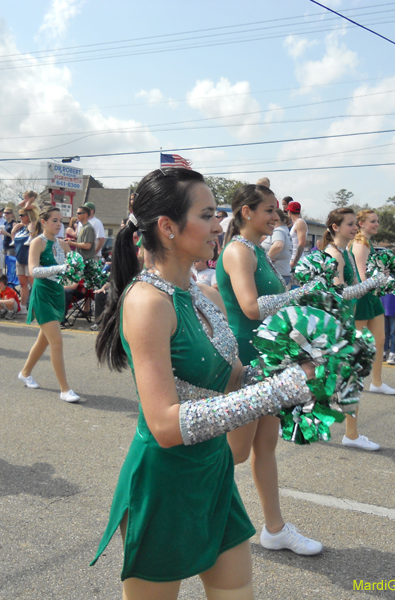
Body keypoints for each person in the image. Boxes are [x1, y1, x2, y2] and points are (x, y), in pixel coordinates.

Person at [92, 168, 318, 599]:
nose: (220, 225)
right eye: (208, 214)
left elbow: (232, 376)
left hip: (213, 472)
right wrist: (275, 392)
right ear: (168, 227)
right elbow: (164, 424)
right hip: (165, 483)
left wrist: (301, 373)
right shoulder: (146, 303)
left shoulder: (201, 292)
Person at [216, 183, 323, 556]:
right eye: (269, 210)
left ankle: (274, 529)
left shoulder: (257, 251)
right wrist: (299, 293)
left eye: (276, 211)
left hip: (271, 357)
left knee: (266, 446)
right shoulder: (237, 251)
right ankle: (188, 511)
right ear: (246, 212)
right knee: (236, 452)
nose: (276, 217)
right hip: (248, 361)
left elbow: (275, 309)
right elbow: (250, 307)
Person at [322, 207, 381, 451]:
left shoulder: (344, 251)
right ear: (336, 227)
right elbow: (340, 292)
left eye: (354, 224)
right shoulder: (333, 254)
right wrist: (373, 282)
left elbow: (355, 286)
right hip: (335, 325)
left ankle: (351, 434)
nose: (355, 228)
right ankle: (351, 435)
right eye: (349, 224)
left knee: (345, 379)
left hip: (345, 322)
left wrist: (378, 279)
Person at [18, 206, 81, 403]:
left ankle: (25, 372)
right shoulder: (37, 242)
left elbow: (73, 272)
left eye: (60, 221)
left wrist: (77, 276)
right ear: (43, 222)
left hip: (57, 294)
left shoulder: (63, 244)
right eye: (54, 220)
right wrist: (61, 268)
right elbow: (33, 271)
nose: (58, 224)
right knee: (56, 341)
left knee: (43, 340)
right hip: (42, 294)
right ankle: (65, 389)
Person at [351, 209, 395, 395]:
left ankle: (376, 383)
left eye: (377, 221)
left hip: (372, 297)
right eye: (373, 221)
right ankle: (349, 381)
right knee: (357, 343)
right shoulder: (360, 244)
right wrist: (381, 278)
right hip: (362, 298)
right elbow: (363, 278)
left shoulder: (368, 242)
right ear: (361, 223)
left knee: (380, 340)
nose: (377, 224)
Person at [12, 206, 37, 316]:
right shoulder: (21, 228)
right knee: (23, 284)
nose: (20, 217)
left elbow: (35, 239)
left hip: (29, 259)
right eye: (20, 215)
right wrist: (13, 232)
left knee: (34, 283)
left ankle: (36, 306)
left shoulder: (34, 227)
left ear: (29, 216)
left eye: (23, 215)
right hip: (19, 258)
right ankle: (23, 307)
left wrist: (31, 228)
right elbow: (14, 242)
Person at [261, 207, 293, 286]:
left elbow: (278, 245)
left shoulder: (278, 231)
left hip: (277, 273)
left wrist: (266, 258)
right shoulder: (284, 230)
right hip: (283, 272)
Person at [287, 200, 307, 272]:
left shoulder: (300, 223)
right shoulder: (295, 224)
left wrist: (294, 262)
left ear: (289, 212)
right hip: (292, 259)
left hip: (297, 263)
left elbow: (302, 243)